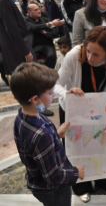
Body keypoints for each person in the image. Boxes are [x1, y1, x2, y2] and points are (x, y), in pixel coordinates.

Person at [54, 26, 106, 203]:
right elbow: (56, 84)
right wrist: (66, 94)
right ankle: (80, 185)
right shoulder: (74, 55)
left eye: (97, 54)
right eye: (88, 51)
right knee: (77, 148)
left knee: (102, 143)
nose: (90, 58)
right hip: (73, 109)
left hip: (98, 110)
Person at [10, 62, 84, 206]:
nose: (54, 95)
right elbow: (53, 176)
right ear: (35, 99)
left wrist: (56, 134)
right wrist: (76, 172)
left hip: (37, 182)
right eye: (50, 93)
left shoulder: (21, 116)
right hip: (55, 190)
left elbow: (33, 147)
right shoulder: (42, 135)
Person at [0, 0, 34, 77]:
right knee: (28, 77)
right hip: (17, 47)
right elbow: (12, 28)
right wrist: (24, 51)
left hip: (13, 44)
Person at [26, 4, 63, 70]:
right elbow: (34, 28)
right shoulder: (26, 21)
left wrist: (46, 33)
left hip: (47, 44)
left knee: (51, 56)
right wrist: (50, 24)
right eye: (36, 10)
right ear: (29, 12)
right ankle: (36, 75)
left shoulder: (45, 19)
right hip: (34, 45)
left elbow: (55, 33)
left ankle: (47, 73)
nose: (39, 11)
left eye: (39, 9)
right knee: (31, 59)